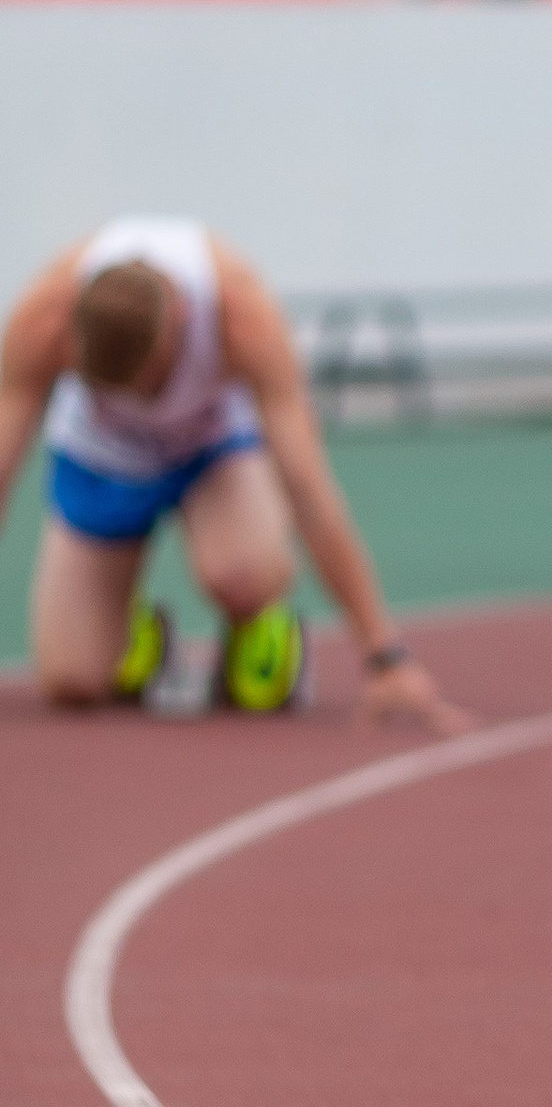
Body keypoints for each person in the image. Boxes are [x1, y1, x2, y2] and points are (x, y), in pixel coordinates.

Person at [0, 216, 460, 725]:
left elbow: (307, 487)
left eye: (149, 379)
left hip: (211, 445)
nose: (141, 399)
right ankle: (140, 636)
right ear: (71, 323)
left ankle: (259, 622)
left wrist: (384, 656)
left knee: (245, 573)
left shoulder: (242, 316)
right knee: (73, 682)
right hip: (104, 453)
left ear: (180, 315)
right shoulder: (41, 319)